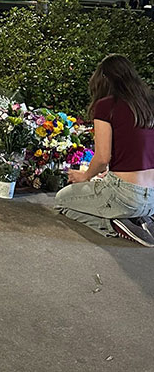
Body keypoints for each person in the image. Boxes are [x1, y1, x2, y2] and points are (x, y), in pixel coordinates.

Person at [55, 55, 154, 246]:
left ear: (103, 80)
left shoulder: (107, 106)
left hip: (125, 194)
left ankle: (115, 223)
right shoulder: (148, 105)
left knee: (62, 201)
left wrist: (85, 176)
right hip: (152, 196)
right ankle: (142, 218)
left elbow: (101, 158)